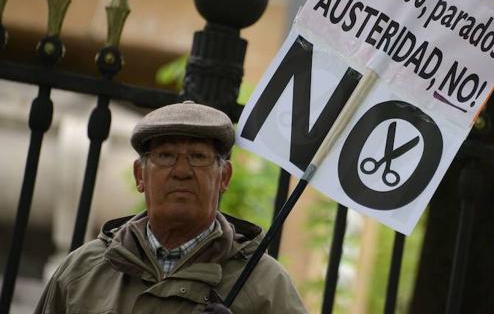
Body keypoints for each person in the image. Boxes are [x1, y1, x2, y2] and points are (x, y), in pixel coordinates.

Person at [35, 100, 307, 314]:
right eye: (165, 156)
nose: (181, 171)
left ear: (224, 177)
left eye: (198, 157)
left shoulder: (266, 286)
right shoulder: (83, 272)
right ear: (140, 175)